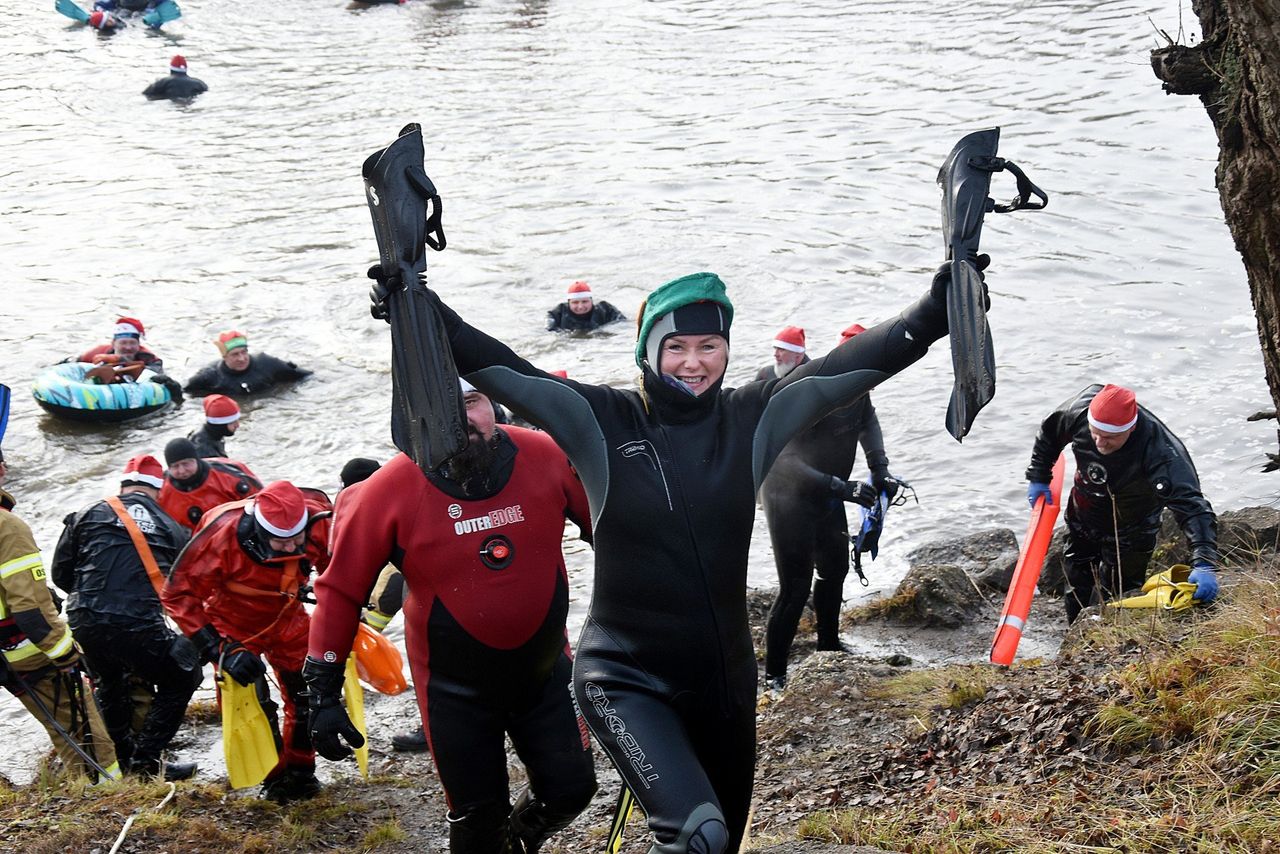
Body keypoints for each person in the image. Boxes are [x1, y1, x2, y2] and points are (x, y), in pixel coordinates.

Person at [366, 258, 964, 853]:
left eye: (710, 345)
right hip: (625, 674)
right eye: (675, 346)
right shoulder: (598, 419)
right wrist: (420, 310)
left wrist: (937, 310)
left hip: (725, 681)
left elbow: (852, 367)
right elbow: (504, 369)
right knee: (696, 835)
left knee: (718, 843)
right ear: (647, 352)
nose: (694, 362)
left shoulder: (753, 418)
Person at [305, 380, 598, 853]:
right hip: (454, 693)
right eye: (441, 410)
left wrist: (647, 621)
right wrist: (322, 692)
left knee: (572, 792)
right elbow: (339, 591)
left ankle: (521, 840)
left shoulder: (545, 454)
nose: (461, 422)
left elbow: (611, 533)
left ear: (493, 404)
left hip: (544, 673)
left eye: (470, 402)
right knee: (478, 821)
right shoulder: (385, 491)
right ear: (412, 422)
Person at [162, 480, 333, 802]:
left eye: (297, 539)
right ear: (257, 530)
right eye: (280, 541)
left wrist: (340, 620)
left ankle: (300, 773)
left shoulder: (321, 521)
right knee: (250, 705)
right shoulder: (219, 534)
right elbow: (177, 593)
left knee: (308, 695)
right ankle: (271, 774)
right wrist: (218, 648)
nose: (290, 547)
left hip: (289, 616)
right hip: (233, 623)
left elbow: (338, 575)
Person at [759, 323, 900, 690]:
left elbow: (868, 422)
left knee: (835, 570)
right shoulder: (809, 389)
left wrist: (879, 469)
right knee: (794, 587)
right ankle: (775, 674)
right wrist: (842, 487)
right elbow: (782, 461)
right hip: (786, 497)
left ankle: (828, 646)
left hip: (828, 495)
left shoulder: (860, 388)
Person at [51, 455, 200, 781]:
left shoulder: (85, 513)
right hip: (139, 624)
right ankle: (147, 761)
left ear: (123, 486)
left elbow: (60, 575)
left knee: (110, 682)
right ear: (159, 491)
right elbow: (185, 588)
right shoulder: (172, 526)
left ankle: (118, 756)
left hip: (84, 619)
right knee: (184, 677)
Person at [1026, 383, 1220, 622]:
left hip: (1132, 530)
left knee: (1120, 595)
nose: (1099, 442)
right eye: (1094, 432)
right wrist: (1038, 476)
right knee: (1076, 585)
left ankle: (1111, 637)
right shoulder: (1078, 411)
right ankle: (1075, 632)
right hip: (1083, 515)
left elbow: (1193, 509)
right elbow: (1050, 434)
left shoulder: (1162, 453)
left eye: (1110, 438)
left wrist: (1204, 562)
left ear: (1131, 429)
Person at [1, 449, 121, 783]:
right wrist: (65, 653)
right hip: (25, 651)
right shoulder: (8, 526)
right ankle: (106, 798)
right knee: (80, 727)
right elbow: (30, 610)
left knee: (58, 724)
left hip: (7, 656)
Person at [158, 437, 262, 530]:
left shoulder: (230, 475)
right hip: (193, 542)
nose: (182, 470)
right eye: (175, 466)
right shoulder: (160, 491)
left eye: (186, 464)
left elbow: (260, 502)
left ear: (196, 460)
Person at [184, 330, 312, 397]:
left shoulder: (267, 363)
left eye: (244, 352)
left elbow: (306, 376)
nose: (242, 358)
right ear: (224, 357)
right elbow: (185, 394)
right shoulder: (209, 376)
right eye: (235, 354)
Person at [76, 317, 164, 372]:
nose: (128, 347)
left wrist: (120, 359)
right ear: (113, 344)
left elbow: (156, 371)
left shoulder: (148, 357)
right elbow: (71, 363)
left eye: (133, 343)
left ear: (139, 345)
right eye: (123, 343)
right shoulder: (98, 352)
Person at [545, 280, 626, 332]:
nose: (580, 306)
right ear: (568, 303)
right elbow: (548, 332)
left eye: (584, 301)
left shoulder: (605, 310)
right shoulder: (558, 314)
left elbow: (622, 325)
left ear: (591, 301)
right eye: (575, 302)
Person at [188, 394, 241, 459]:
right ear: (220, 425)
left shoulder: (214, 434)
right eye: (232, 422)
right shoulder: (204, 450)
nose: (238, 425)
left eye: (238, 420)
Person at [143, 55, 208, 101]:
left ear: (171, 69)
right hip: (190, 101)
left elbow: (146, 94)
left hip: (171, 104)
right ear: (186, 69)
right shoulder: (199, 83)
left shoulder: (163, 82)